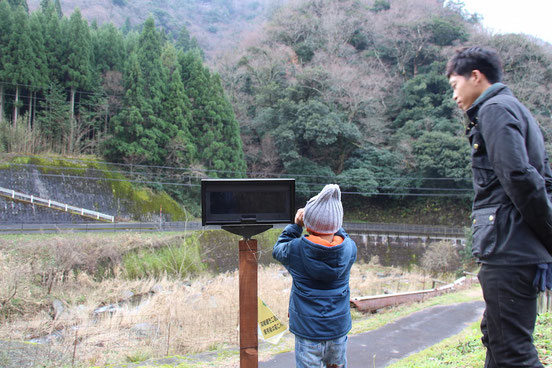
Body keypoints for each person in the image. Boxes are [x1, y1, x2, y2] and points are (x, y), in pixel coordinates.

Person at [446, 46, 552, 367]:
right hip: (514, 246)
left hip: (509, 249)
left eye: (455, 85)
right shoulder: (515, 110)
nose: (454, 96)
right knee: (497, 337)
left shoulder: (494, 110)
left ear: (476, 77)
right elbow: (542, 178)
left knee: (512, 351)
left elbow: (519, 176)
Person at [273, 184, 357, 368]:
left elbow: (278, 249)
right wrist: (334, 226)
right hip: (338, 329)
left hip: (307, 331)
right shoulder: (349, 248)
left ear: (308, 223)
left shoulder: (296, 249)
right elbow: (343, 236)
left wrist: (296, 226)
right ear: (337, 224)